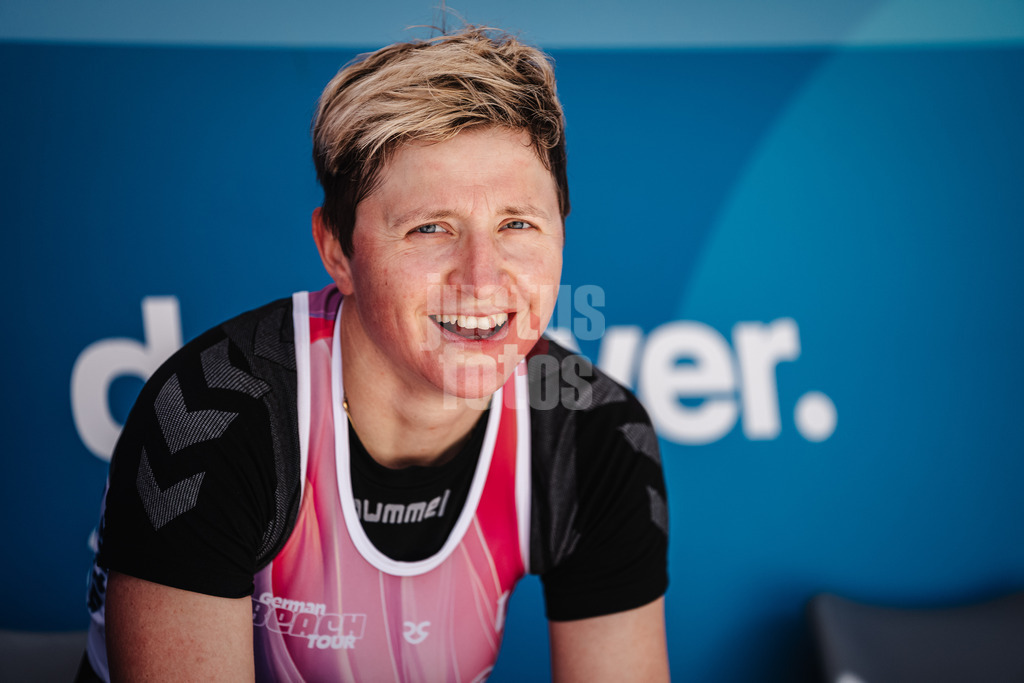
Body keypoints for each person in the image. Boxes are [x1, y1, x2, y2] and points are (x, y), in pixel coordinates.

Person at [79, 26, 669, 682]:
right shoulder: (213, 416)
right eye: (430, 228)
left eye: (517, 224)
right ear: (338, 251)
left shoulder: (593, 431)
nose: (482, 279)